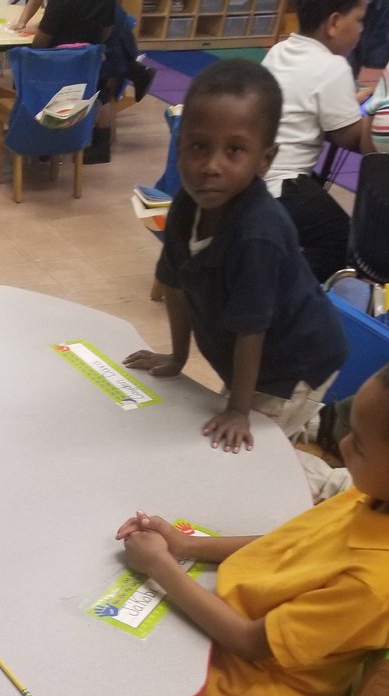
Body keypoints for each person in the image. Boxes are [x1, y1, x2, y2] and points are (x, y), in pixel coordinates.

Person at [1, 365, 389, 696]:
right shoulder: (370, 497)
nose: (341, 447)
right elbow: (284, 545)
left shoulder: (375, 582)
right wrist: (186, 546)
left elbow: (249, 642)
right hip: (225, 622)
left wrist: (163, 568)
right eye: (349, 428)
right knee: (84, 610)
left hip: (241, 686)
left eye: (360, 444)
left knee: (103, 671)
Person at [123, 59, 347, 467]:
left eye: (235, 150)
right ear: (179, 145)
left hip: (293, 363)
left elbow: (251, 332)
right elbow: (173, 283)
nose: (210, 165)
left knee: (251, 458)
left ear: (264, 160)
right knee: (233, 425)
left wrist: (240, 411)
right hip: (255, 360)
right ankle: (320, 423)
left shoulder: (257, 233)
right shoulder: (186, 205)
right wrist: (177, 357)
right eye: (197, 146)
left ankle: (332, 485)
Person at [262, 0, 368, 282]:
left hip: (255, 175)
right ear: (334, 23)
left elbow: (306, 100)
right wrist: (377, 107)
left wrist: (352, 102)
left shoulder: (280, 50)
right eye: (359, 20)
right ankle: (270, 281)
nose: (361, 30)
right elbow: (352, 139)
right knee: (344, 246)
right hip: (283, 186)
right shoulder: (333, 66)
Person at [24, 0, 155, 162]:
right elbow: (106, 31)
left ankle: (47, 144)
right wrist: (91, 48)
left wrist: (32, 54)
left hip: (65, 61)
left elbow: (43, 38)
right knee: (101, 90)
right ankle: (100, 146)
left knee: (44, 81)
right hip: (94, 53)